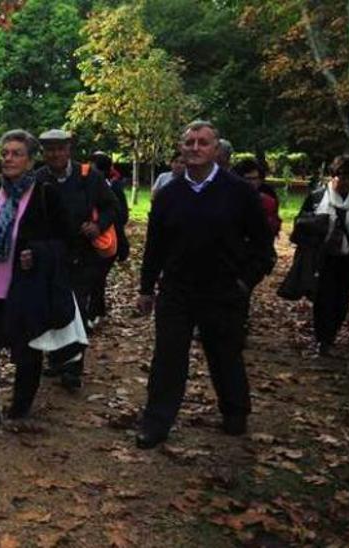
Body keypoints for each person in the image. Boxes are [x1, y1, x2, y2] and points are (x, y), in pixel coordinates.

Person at [134, 120, 274, 449]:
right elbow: (155, 246)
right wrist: (145, 288)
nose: (195, 148)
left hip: (222, 291)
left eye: (203, 143)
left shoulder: (238, 192)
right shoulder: (169, 195)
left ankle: (235, 411)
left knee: (225, 354)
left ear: (215, 150)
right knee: (168, 358)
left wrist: (244, 282)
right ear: (182, 148)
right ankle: (156, 422)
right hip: (177, 291)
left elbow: (262, 245)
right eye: (189, 142)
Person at [0, 129, 70, 432]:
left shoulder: (45, 194)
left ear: (30, 160)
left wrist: (37, 252)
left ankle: (21, 404)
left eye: (16, 153)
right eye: (5, 153)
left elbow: (66, 241)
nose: (8, 159)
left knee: (25, 353)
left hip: (24, 291)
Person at [34, 129, 119, 391]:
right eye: (50, 150)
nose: (55, 154)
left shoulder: (89, 177)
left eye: (60, 149)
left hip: (82, 256)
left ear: (68, 150)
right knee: (52, 309)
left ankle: (73, 368)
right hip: (51, 257)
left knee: (78, 311)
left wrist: (98, 224)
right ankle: (57, 359)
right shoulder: (38, 178)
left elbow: (113, 207)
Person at [299, 155, 349, 357]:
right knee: (322, 298)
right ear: (333, 176)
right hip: (323, 255)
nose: (345, 182)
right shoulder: (318, 196)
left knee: (342, 298)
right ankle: (322, 339)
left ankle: (331, 334)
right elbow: (301, 220)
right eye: (341, 177)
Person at [88, 152, 130, 326]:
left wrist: (101, 224)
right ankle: (95, 311)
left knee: (97, 277)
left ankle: (94, 313)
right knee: (93, 278)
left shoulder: (113, 189)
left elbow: (121, 215)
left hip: (109, 241)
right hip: (90, 242)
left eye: (93, 166)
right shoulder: (85, 187)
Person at [234, 159, 282, 237]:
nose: (252, 182)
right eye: (248, 179)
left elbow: (273, 223)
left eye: (255, 178)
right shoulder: (228, 195)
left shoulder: (268, 195)